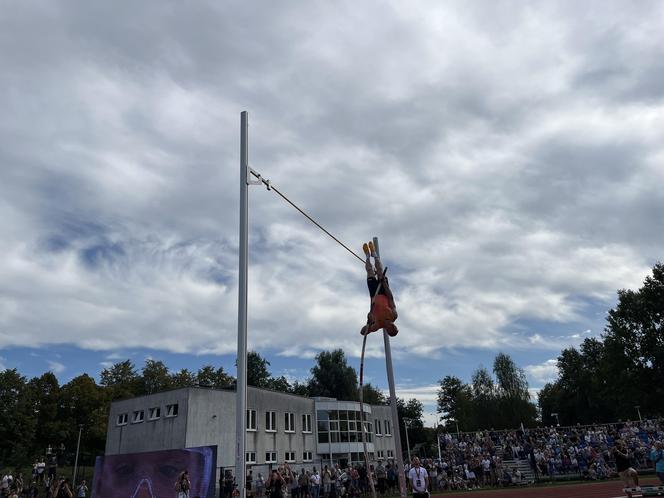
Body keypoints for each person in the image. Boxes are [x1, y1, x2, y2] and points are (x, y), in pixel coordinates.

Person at [360, 241, 398, 336]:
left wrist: (368, 323)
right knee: (380, 272)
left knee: (369, 271)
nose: (393, 325)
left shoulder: (377, 325)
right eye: (395, 326)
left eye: (392, 328)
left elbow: (362, 332)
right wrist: (384, 283)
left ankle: (368, 256)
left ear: (388, 330)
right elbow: (390, 298)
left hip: (374, 294)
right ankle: (375, 254)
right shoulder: (393, 316)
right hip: (384, 291)